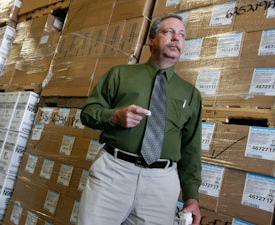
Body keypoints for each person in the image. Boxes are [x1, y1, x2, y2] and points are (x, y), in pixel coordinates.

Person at [77, 14, 202, 225]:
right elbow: (88, 113)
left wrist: (192, 196)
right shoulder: (119, 74)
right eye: (168, 32)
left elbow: (191, 149)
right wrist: (113, 116)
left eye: (181, 35)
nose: (176, 38)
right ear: (151, 39)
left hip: (162, 185)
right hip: (114, 173)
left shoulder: (190, 94)